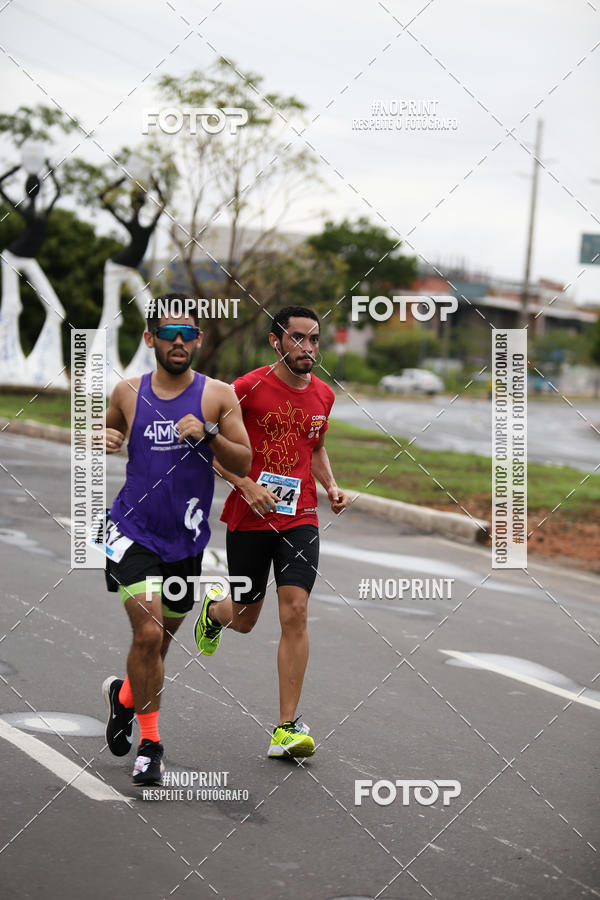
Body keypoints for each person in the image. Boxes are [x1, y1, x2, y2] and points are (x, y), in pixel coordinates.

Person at [102, 294, 251, 785]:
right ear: (151, 339)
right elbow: (105, 431)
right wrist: (102, 438)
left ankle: (125, 696)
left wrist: (208, 433)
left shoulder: (218, 396)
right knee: (147, 634)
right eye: (169, 334)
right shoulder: (127, 392)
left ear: (199, 340)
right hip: (131, 531)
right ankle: (151, 746)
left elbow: (244, 459)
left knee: (158, 647)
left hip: (186, 541)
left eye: (188, 334)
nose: (180, 341)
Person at [194, 305, 350, 758]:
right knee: (245, 619)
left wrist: (331, 486)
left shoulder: (324, 395)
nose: (308, 347)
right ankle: (215, 612)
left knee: (295, 611)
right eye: (298, 338)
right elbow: (213, 448)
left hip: (300, 516)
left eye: (314, 338)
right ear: (276, 341)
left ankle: (286, 727)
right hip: (249, 516)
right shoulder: (246, 388)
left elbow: (315, 448)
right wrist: (246, 485)